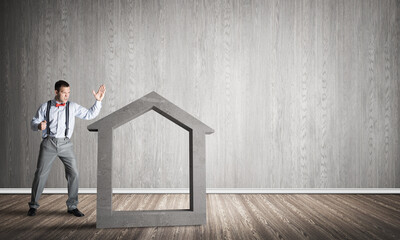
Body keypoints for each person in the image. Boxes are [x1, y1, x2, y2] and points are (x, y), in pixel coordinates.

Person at [28, 80, 106, 217]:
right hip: (48, 143)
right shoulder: (45, 106)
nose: (67, 95)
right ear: (56, 92)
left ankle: (72, 206)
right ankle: (33, 205)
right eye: (64, 92)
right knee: (40, 174)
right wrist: (38, 126)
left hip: (65, 144)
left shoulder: (72, 106)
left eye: (68, 93)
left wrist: (98, 101)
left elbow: (89, 114)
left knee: (74, 173)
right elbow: (33, 122)